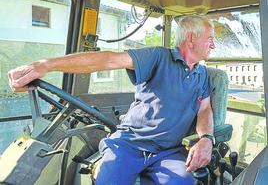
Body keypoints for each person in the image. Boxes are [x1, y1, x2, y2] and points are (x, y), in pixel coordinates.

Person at [8, 15, 215, 185]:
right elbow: (109, 59)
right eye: (210, 38)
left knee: (184, 181)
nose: (213, 45)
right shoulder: (158, 57)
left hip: (169, 152)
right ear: (191, 38)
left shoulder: (202, 74)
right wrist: (46, 65)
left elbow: (204, 109)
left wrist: (206, 138)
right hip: (130, 145)